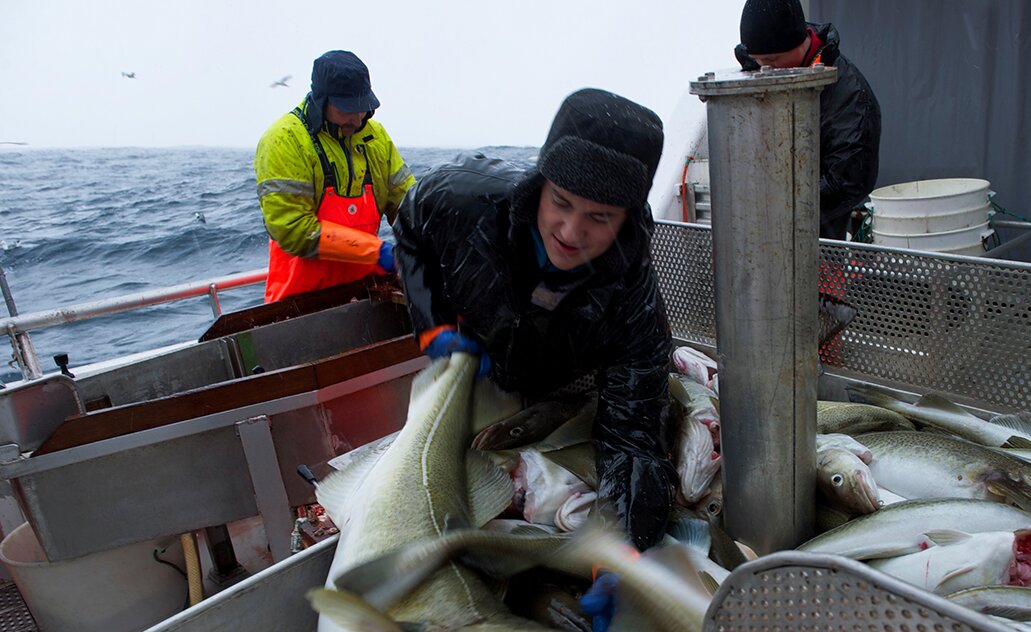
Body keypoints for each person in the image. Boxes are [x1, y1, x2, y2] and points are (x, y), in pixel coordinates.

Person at [391, 88, 677, 553]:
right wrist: (431, 322)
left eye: (599, 217)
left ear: (627, 218)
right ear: (540, 185)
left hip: (563, 381)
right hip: (477, 360)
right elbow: (409, 227)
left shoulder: (634, 306)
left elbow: (632, 438)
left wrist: (620, 547)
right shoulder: (463, 198)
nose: (570, 231)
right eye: (561, 202)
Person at [254, 50, 416, 302]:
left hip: (364, 293)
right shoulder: (284, 139)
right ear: (321, 100)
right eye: (347, 109)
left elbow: (408, 205)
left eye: (363, 107)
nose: (358, 118)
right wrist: (377, 252)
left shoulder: (376, 137)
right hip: (299, 303)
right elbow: (293, 230)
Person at [736, 0, 882, 241]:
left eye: (772, 60)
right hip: (759, 228)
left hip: (819, 238)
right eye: (758, 61)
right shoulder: (757, 65)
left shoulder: (850, 94)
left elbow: (849, 181)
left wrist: (781, 205)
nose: (765, 70)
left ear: (798, 42)